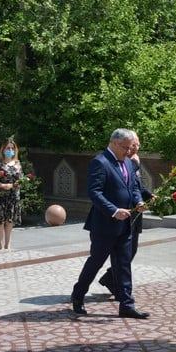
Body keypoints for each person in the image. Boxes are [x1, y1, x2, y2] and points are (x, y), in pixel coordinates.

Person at [70, 128, 150, 319]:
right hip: (104, 225)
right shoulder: (100, 162)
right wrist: (114, 210)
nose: (129, 151)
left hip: (126, 224)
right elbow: (95, 192)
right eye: (125, 147)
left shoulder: (129, 163)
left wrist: (138, 201)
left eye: (131, 147)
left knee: (123, 264)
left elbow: (133, 188)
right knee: (96, 262)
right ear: (114, 143)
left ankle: (126, 305)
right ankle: (78, 295)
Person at [98, 132, 153, 297]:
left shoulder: (132, 161)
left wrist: (148, 195)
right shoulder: (118, 162)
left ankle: (115, 284)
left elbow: (136, 186)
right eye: (132, 145)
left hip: (134, 211)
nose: (135, 148)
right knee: (108, 256)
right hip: (118, 214)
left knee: (130, 251)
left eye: (136, 145)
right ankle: (112, 285)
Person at [0, 139, 24, 250]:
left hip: (13, 196)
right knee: (0, 221)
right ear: (3, 149)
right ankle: (0, 245)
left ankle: (8, 244)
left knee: (9, 221)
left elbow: (21, 180)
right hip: (0, 196)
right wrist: (2, 185)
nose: (10, 150)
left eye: (12, 148)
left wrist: (16, 184)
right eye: (8, 148)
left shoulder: (17, 164)